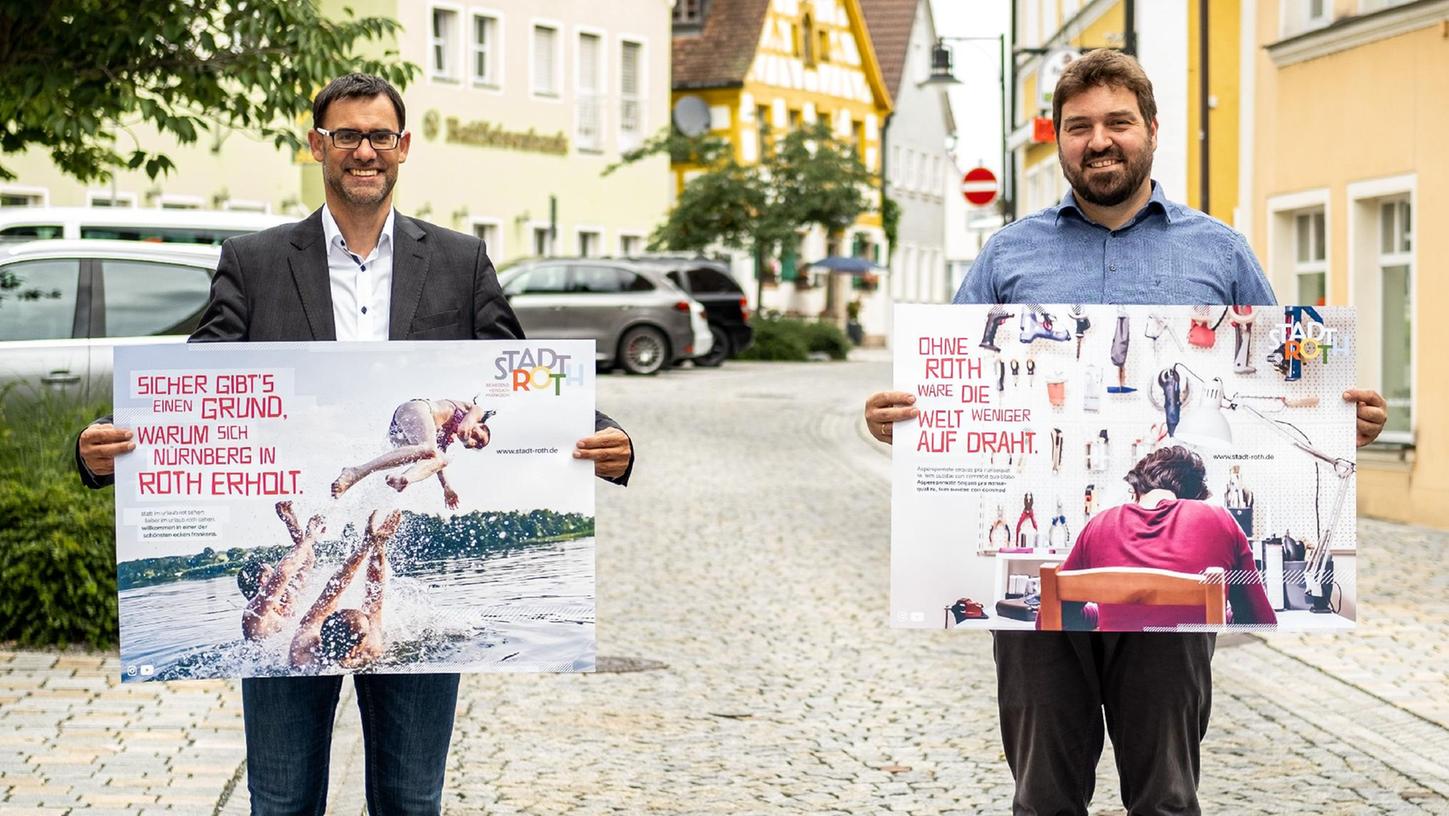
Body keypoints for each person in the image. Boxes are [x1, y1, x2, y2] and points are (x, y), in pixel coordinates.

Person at [75, 73, 635, 814]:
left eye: (379, 136)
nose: (363, 150)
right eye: (346, 135)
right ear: (317, 146)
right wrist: (103, 450)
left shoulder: (462, 262)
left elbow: (514, 375)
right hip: (337, 512)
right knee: (280, 802)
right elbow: (189, 387)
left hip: (377, 514)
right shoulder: (255, 260)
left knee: (409, 799)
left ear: (403, 148)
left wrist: (608, 433)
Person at [864, 50, 1387, 816]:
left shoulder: (1218, 251)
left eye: (1116, 122)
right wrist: (895, 420)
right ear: (1057, 140)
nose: (1097, 141)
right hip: (1043, 589)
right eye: (1078, 127)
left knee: (1166, 795)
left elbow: (1286, 381)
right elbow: (947, 385)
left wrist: (1342, 417)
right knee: (1042, 795)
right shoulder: (1007, 253)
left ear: (1150, 130)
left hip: (1172, 602)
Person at [1053, 445, 1277, 631]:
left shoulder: (1100, 524)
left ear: (1136, 491)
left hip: (1112, 680)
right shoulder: (1219, 519)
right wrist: (1217, 614)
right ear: (1194, 496)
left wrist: (1105, 614)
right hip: (1191, 682)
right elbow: (1260, 623)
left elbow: (1050, 619)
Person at [331, 397, 495, 509]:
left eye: (476, 446)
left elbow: (437, 464)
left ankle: (403, 479)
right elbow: (463, 430)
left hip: (399, 434)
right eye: (479, 439)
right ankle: (355, 472)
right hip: (416, 409)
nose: (473, 443)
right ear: (483, 426)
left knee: (440, 459)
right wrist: (467, 442)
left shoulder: (445, 436)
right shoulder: (476, 411)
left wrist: (447, 488)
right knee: (429, 449)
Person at [290, 509, 400, 671]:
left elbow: (332, 591)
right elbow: (374, 596)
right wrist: (378, 545)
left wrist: (365, 546)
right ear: (356, 649)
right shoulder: (371, 651)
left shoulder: (302, 652)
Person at [239, 501, 325, 641]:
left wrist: (292, 524)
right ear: (262, 582)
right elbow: (283, 574)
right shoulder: (254, 611)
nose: (274, 574)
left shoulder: (287, 600)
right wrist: (310, 538)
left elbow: (307, 561)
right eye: (270, 574)